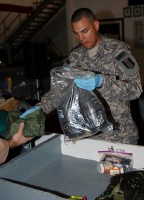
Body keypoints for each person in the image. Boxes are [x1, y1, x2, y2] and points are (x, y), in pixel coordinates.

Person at [0, 8, 143, 163]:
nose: (81, 38)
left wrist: (102, 82)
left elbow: (136, 89)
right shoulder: (75, 57)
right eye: (76, 33)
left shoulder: (119, 51)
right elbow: (59, 91)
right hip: (87, 136)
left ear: (96, 25)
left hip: (119, 137)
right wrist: (41, 107)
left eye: (85, 31)